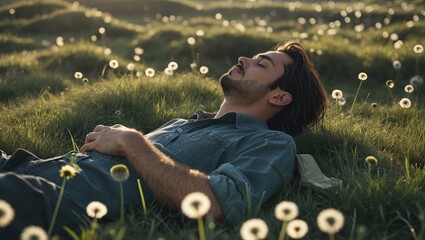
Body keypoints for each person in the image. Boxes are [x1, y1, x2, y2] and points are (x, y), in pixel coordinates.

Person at [0, 41, 327, 238]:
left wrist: (132, 142)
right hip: (28, 166)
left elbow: (217, 204)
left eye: (261, 64)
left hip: (58, 202)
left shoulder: (271, 144)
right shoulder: (181, 123)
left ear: (280, 98)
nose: (244, 59)